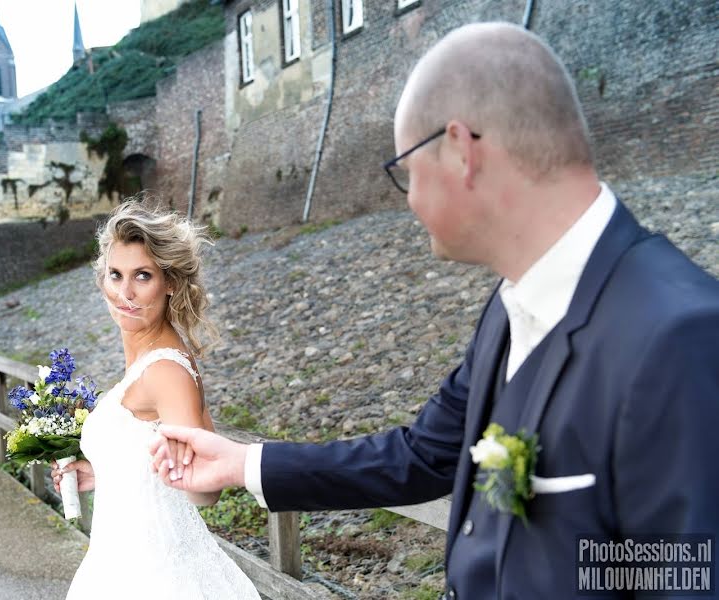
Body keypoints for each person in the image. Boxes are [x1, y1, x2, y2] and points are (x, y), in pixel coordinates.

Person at [150, 22, 719, 598]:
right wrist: (244, 464)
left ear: (461, 152)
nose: (411, 200)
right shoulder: (508, 303)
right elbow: (421, 455)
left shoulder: (681, 336)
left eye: (405, 173)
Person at [51, 201, 260, 599]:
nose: (124, 293)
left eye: (142, 276)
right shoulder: (147, 362)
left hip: (156, 576)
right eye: (115, 275)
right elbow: (149, 453)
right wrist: (104, 472)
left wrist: (184, 466)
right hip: (119, 564)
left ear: (170, 283)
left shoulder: (165, 370)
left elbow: (204, 490)